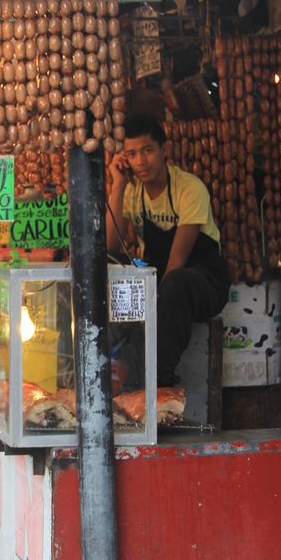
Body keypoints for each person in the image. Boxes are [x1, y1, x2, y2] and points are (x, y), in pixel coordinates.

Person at [106, 113, 230, 387]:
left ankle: (159, 383)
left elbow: (177, 259)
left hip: (203, 282)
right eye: (132, 154)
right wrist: (118, 184)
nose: (140, 161)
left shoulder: (189, 188)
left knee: (175, 282)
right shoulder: (132, 192)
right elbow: (110, 246)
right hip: (159, 280)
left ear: (165, 150)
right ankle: (111, 371)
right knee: (105, 262)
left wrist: (149, 306)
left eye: (148, 151)